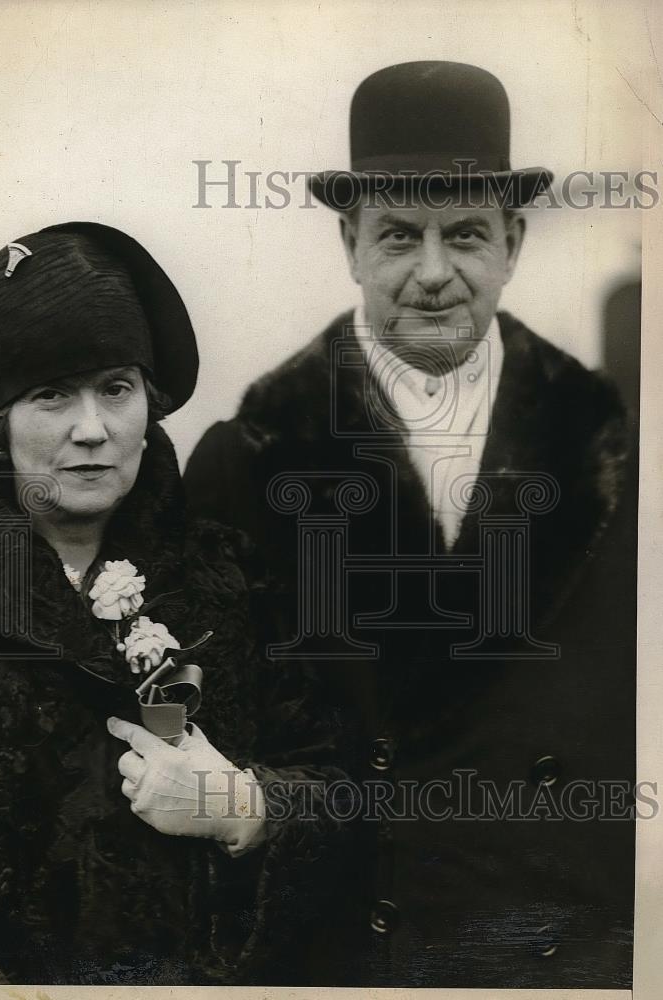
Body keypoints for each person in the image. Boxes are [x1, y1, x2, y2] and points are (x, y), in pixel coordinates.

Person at [182, 63, 638, 987]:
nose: (433, 275)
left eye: (464, 233)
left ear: (512, 242)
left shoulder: (616, 456)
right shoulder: (250, 461)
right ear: (350, 242)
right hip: (343, 962)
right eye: (398, 235)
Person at [0, 223, 272, 984]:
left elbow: (338, 786)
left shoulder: (230, 578)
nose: (92, 430)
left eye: (116, 388)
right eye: (50, 393)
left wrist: (243, 809)